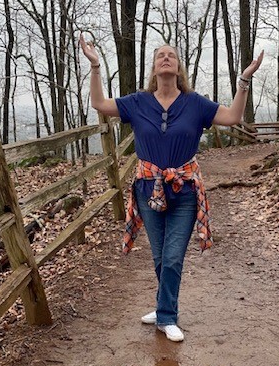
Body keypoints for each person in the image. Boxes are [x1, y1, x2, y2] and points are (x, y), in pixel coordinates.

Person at [79, 35, 263, 342]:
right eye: (160, 55)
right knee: (161, 257)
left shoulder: (195, 104)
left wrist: (244, 79)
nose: (166, 58)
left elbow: (232, 117)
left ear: (178, 68)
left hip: (185, 189)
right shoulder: (137, 103)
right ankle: (165, 305)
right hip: (147, 188)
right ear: (153, 68)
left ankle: (166, 316)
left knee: (174, 255)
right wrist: (96, 65)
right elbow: (99, 103)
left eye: (172, 56)